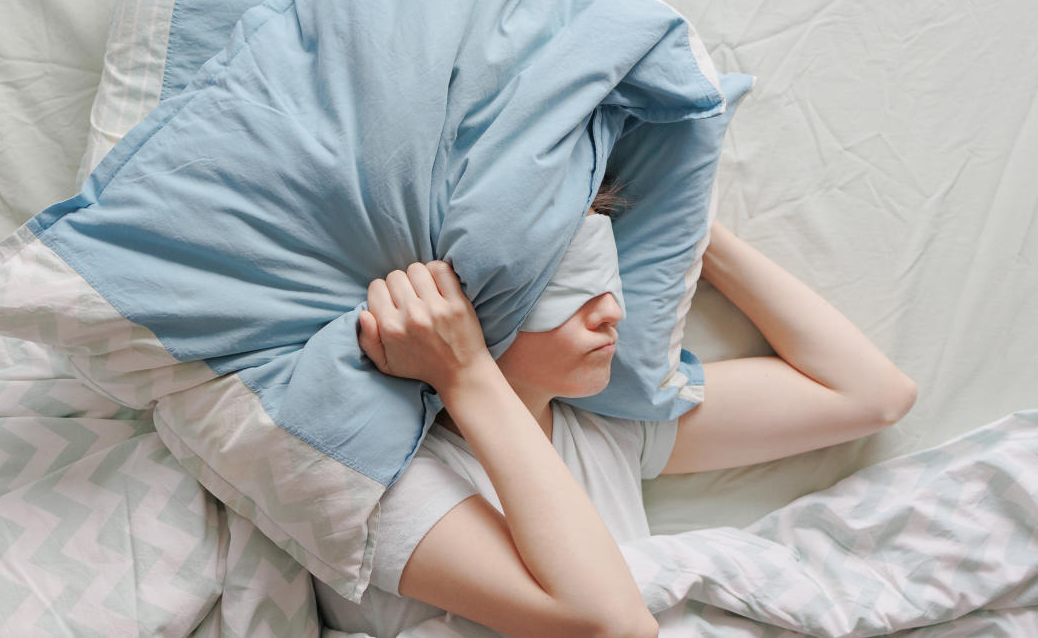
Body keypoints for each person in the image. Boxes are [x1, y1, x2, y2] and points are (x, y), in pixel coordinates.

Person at [313, 184, 920, 638]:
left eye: (612, 278)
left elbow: (872, 396)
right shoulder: (380, 481)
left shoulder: (604, 427)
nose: (612, 313)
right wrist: (463, 374)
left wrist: (694, 234)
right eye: (570, 288)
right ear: (461, 311)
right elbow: (610, 625)